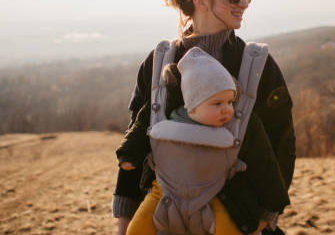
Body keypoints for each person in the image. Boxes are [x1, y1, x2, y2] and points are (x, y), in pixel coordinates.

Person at [112, 0, 296, 235]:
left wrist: (267, 216)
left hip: (237, 221)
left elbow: (282, 143)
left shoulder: (258, 66)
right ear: (200, 0)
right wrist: (125, 217)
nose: (244, 4)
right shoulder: (158, 62)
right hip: (164, 217)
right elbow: (137, 139)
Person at [116, 47, 290, 234]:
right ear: (192, 106)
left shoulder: (233, 131)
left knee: (230, 229)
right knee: (137, 230)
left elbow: (264, 165)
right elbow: (138, 131)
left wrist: (272, 203)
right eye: (217, 103)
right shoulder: (165, 121)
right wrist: (128, 155)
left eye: (230, 102)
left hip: (214, 197)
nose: (227, 109)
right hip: (163, 193)